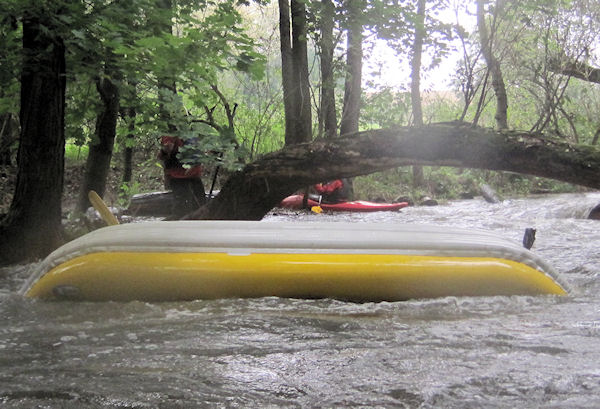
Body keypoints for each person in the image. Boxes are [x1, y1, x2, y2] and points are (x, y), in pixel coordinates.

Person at [158, 135, 206, 218]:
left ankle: (180, 227)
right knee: (199, 207)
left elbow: (168, 147)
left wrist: (161, 154)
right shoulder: (193, 131)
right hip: (195, 174)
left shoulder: (170, 132)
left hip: (178, 176)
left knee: (181, 210)